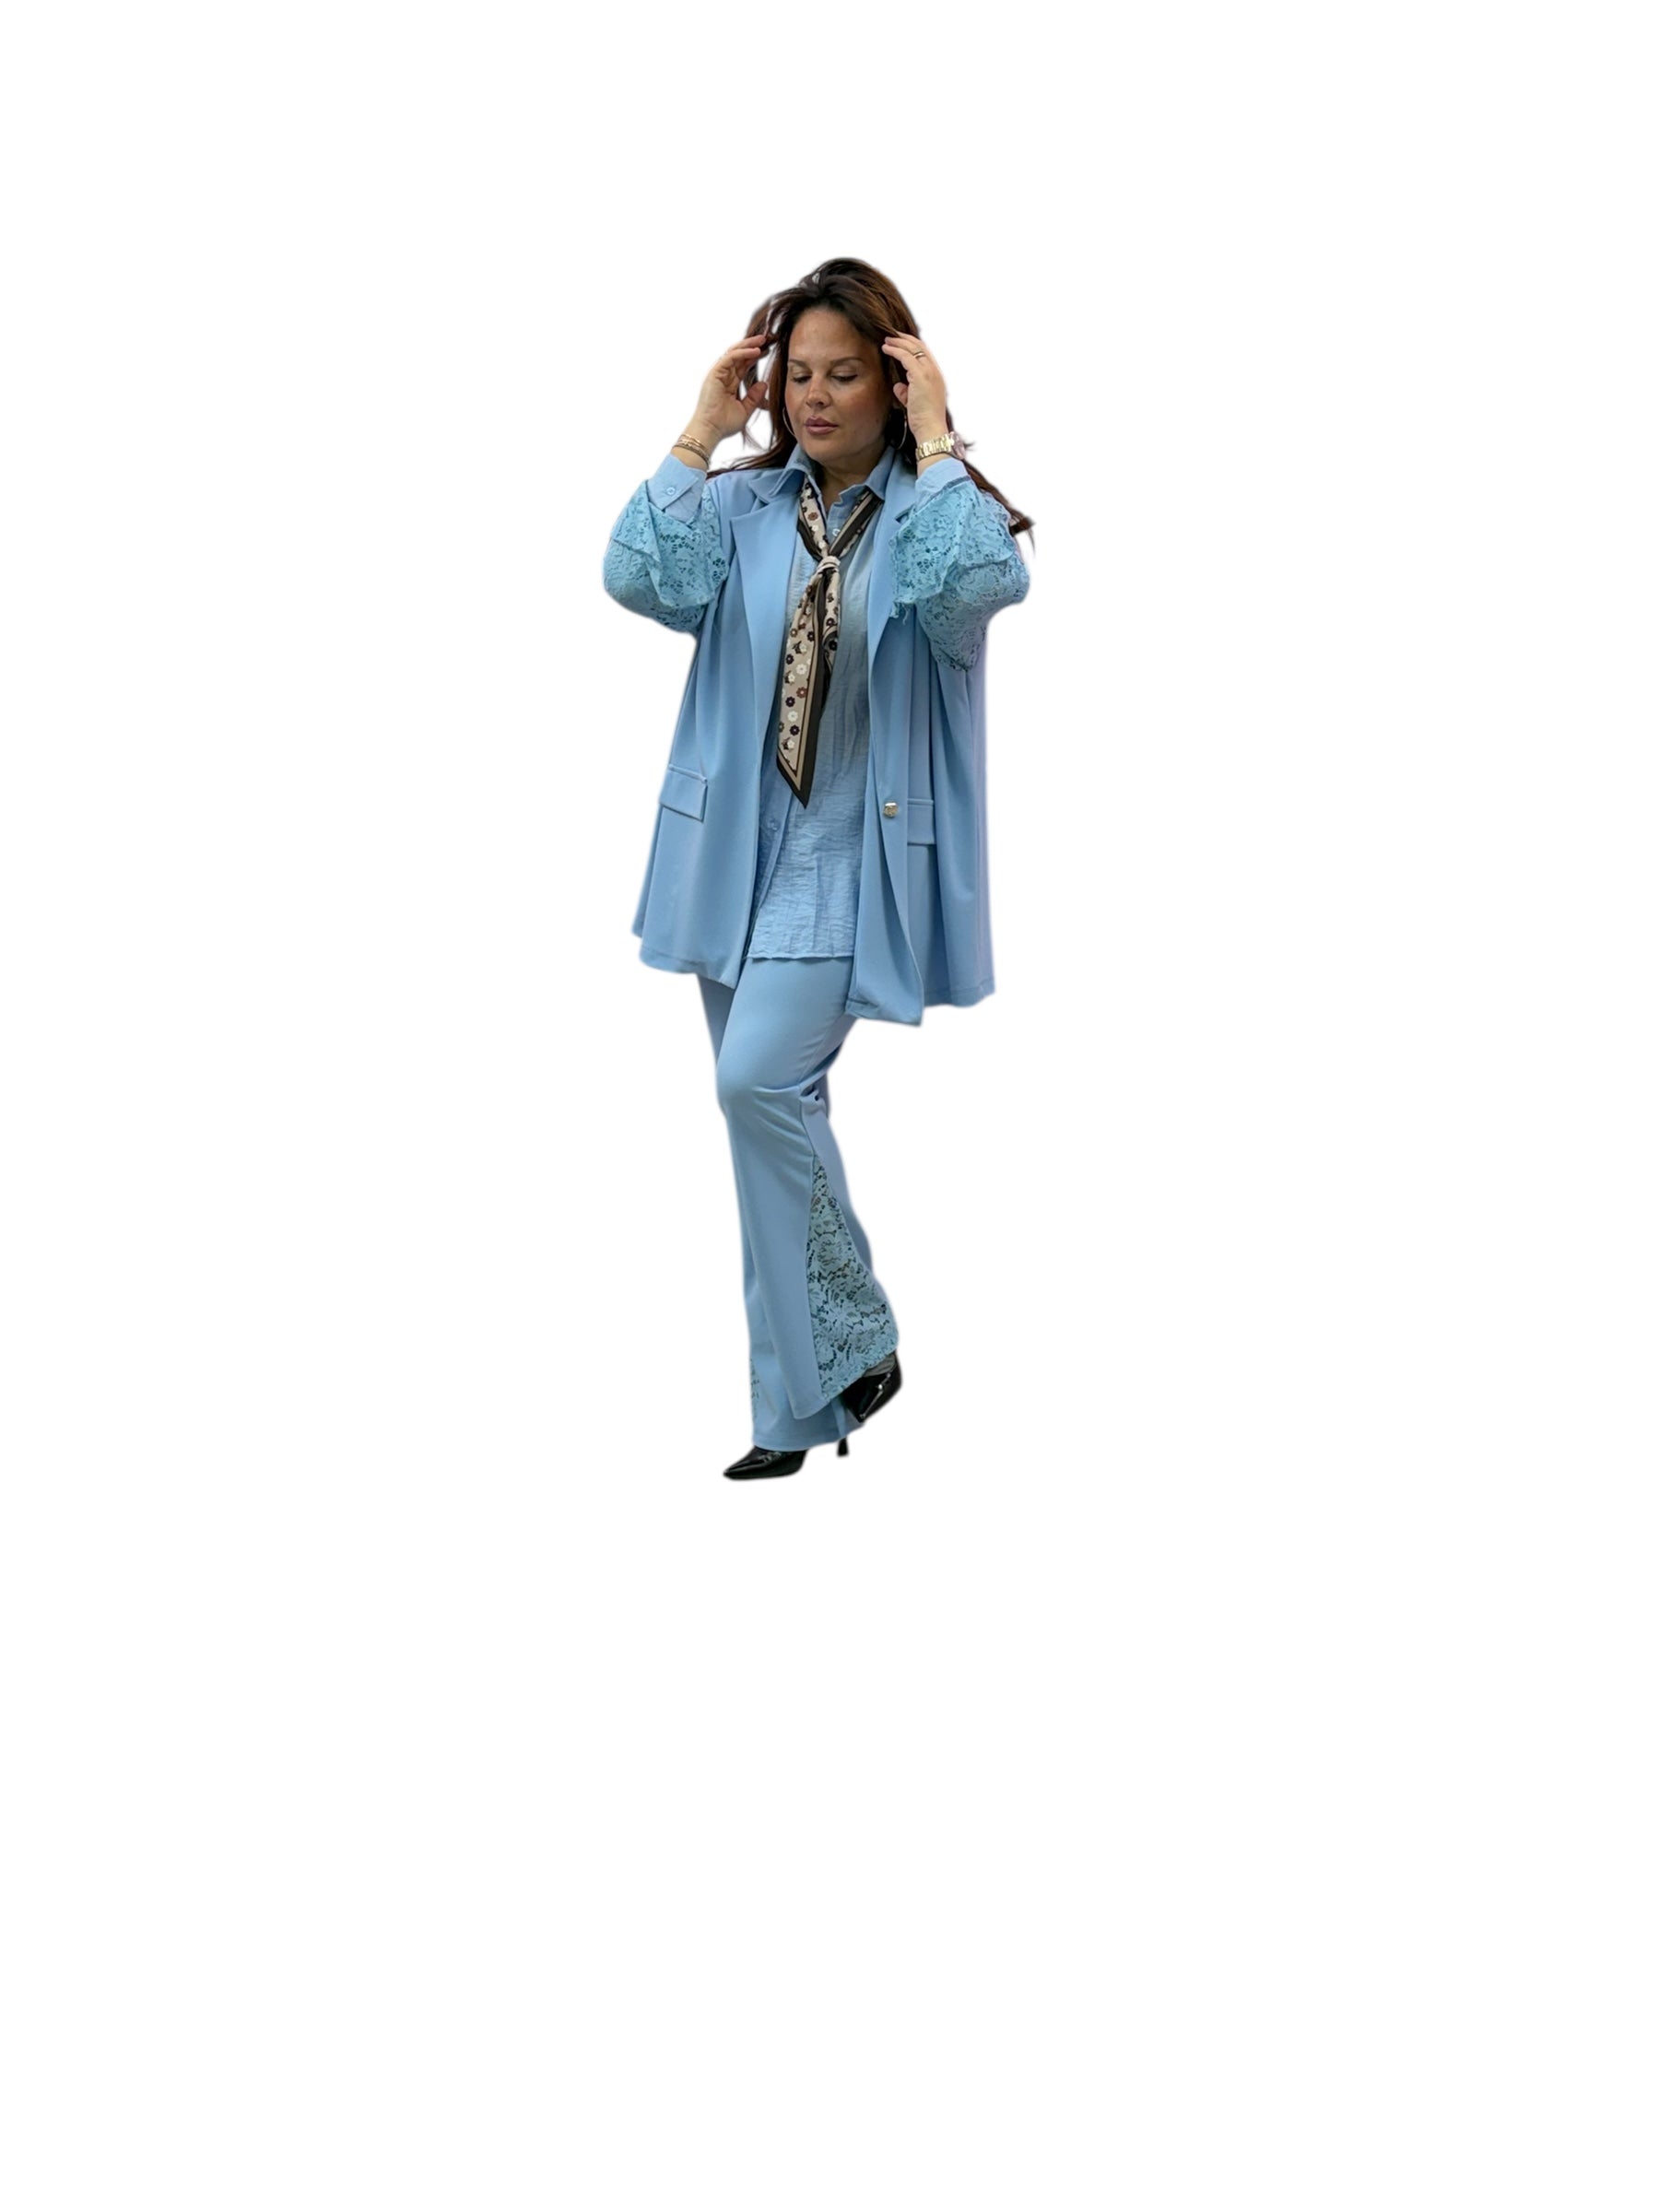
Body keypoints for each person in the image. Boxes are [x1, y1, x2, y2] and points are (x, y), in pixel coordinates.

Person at [602, 256, 1033, 1481]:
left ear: (895, 381)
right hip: (728, 863)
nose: (815, 396)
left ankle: (856, 1335)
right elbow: (636, 574)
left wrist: (937, 441)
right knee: (766, 1134)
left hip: (850, 865)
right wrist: (700, 430)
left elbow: (980, 585)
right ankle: (796, 1410)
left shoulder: (935, 519)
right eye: (798, 374)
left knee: (755, 1089)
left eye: (846, 373)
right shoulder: (741, 510)